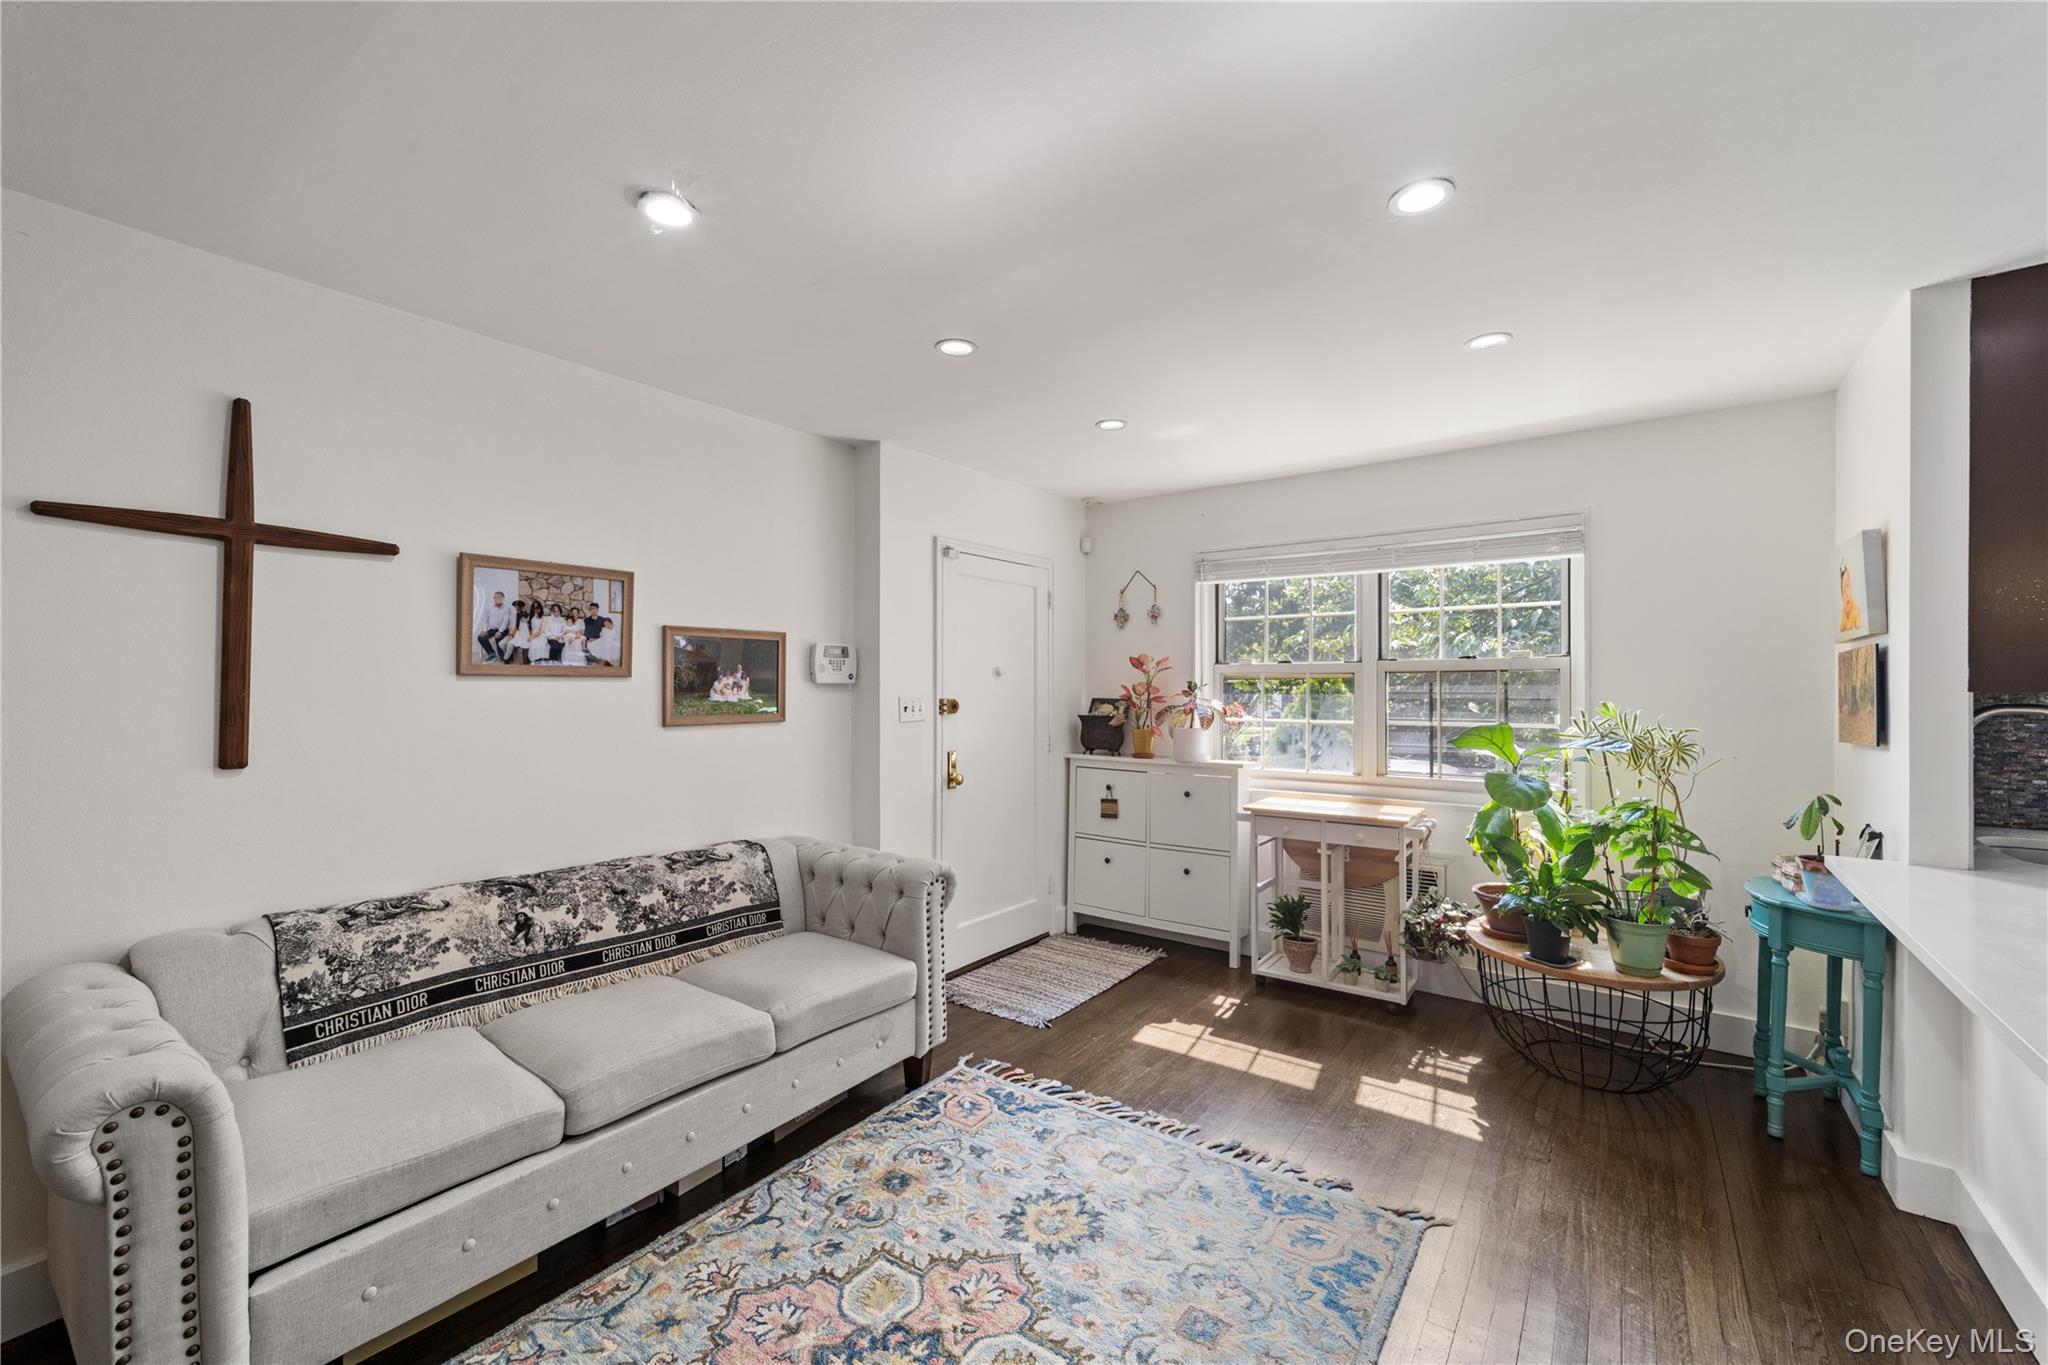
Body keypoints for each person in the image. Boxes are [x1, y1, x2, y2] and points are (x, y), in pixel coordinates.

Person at [474, 590, 513, 663]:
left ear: (503, 598)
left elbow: (505, 621)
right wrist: (484, 629)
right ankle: (492, 654)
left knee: (498, 640)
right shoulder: (489, 608)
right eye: (495, 597)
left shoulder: (507, 608)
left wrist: (500, 631)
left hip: (503, 629)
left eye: (499, 597)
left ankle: (503, 656)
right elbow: (485, 620)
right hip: (492, 629)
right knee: (481, 637)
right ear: (494, 599)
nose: (497, 599)